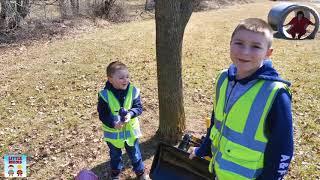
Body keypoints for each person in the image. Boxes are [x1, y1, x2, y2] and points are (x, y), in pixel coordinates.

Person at [189, 18, 293, 180]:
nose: (245, 52)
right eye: (239, 43)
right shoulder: (223, 78)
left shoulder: (275, 93)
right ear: (230, 44)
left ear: (268, 53)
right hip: (219, 171)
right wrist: (203, 149)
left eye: (256, 46)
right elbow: (217, 121)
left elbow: (283, 148)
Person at [97, 61, 148, 180]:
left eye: (127, 77)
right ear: (110, 79)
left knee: (135, 154)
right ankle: (115, 174)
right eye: (121, 78)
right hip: (114, 135)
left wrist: (130, 114)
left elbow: (138, 108)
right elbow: (103, 114)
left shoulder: (134, 91)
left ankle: (140, 173)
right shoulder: (104, 95)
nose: (125, 80)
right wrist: (113, 123)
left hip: (130, 133)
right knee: (115, 156)